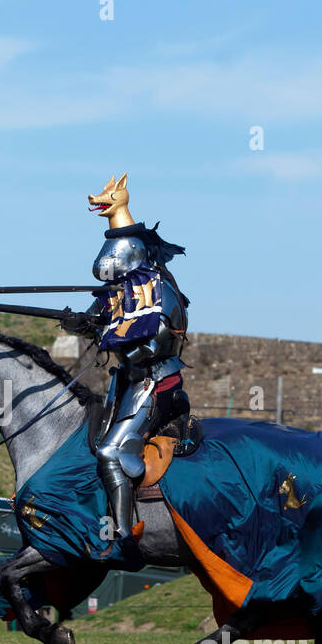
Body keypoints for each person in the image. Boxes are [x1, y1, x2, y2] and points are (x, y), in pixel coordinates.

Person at [60, 174, 190, 567]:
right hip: (126, 384)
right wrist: (79, 323)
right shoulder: (119, 295)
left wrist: (111, 337)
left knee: (110, 452)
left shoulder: (161, 291)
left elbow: (156, 343)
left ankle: (123, 538)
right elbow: (100, 320)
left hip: (155, 382)